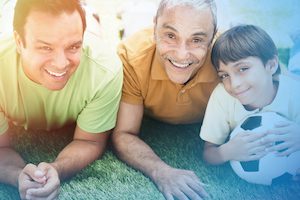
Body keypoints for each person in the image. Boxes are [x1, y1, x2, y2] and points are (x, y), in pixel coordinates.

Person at [0, 0, 123, 199]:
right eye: (45, 48)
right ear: (19, 42)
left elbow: (89, 141)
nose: (61, 63)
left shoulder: (105, 70)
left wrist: (57, 168)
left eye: (73, 46)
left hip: (95, 40)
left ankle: (95, 17)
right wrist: (17, 175)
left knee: (100, 27)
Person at [112, 0, 219, 199]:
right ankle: (130, 13)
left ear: (213, 37)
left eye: (196, 40)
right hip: (141, 42)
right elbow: (124, 134)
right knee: (130, 25)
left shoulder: (230, 56)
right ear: (155, 28)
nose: (181, 54)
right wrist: (161, 171)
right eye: (170, 35)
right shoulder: (130, 58)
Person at [200, 25, 300, 177]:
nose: (234, 84)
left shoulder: (294, 93)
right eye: (224, 75)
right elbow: (209, 153)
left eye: (243, 69)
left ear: (271, 65)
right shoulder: (222, 97)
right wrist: (226, 152)